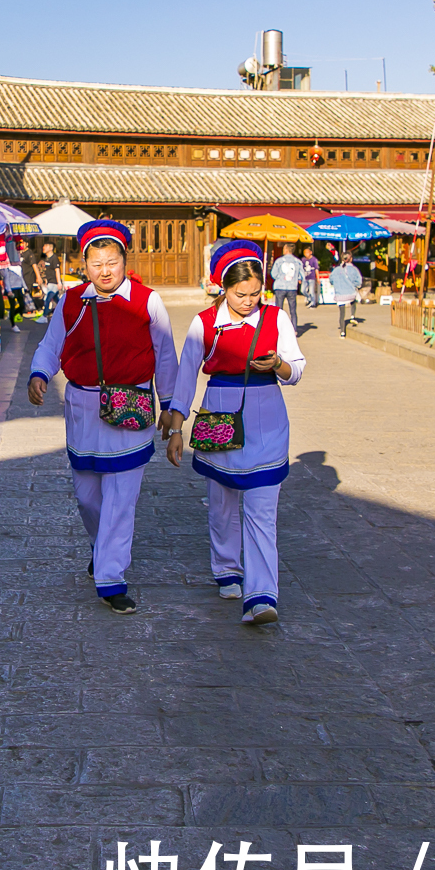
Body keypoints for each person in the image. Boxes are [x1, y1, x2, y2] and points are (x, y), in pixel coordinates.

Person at [27, 220, 177, 615]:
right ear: (84, 264)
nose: (105, 271)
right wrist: (39, 374)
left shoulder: (148, 301)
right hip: (83, 410)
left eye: (112, 262)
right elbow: (51, 343)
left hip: (130, 408)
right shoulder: (72, 300)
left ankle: (111, 579)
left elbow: (165, 355)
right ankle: (102, 547)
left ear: (125, 261)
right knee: (87, 497)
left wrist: (171, 404)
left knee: (120, 500)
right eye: (96, 263)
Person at [163, 242, 305, 625]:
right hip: (219, 415)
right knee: (222, 502)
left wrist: (278, 364)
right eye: (240, 294)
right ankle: (227, 568)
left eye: (255, 293)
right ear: (223, 288)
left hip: (267, 417)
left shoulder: (276, 319)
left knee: (262, 510)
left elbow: (297, 368)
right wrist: (176, 428)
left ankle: (262, 596)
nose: (248, 301)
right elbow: (186, 376)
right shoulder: (204, 323)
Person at [328, 251, 363, 337]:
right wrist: (354, 285)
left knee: (341, 314)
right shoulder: (354, 269)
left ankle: (342, 332)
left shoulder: (336, 270)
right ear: (351, 258)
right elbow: (359, 282)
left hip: (339, 295)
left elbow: (331, 280)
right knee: (355, 298)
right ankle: (352, 316)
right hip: (350, 294)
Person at [269, 243, 305, 327]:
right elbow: (302, 275)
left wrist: (280, 277)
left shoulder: (279, 261)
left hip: (280, 286)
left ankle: (278, 328)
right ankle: (294, 329)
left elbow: (273, 274)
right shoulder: (297, 262)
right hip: (292, 287)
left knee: (278, 310)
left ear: (286, 250)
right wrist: (297, 278)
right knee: (293, 310)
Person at [33, 243, 61, 319]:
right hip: (49, 282)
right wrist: (46, 280)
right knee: (57, 300)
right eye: (43, 246)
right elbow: (48, 271)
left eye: (46, 246)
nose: (43, 247)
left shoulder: (54, 258)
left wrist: (59, 282)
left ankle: (44, 316)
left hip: (54, 282)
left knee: (48, 299)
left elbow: (57, 270)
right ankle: (64, 312)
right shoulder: (47, 259)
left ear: (51, 248)